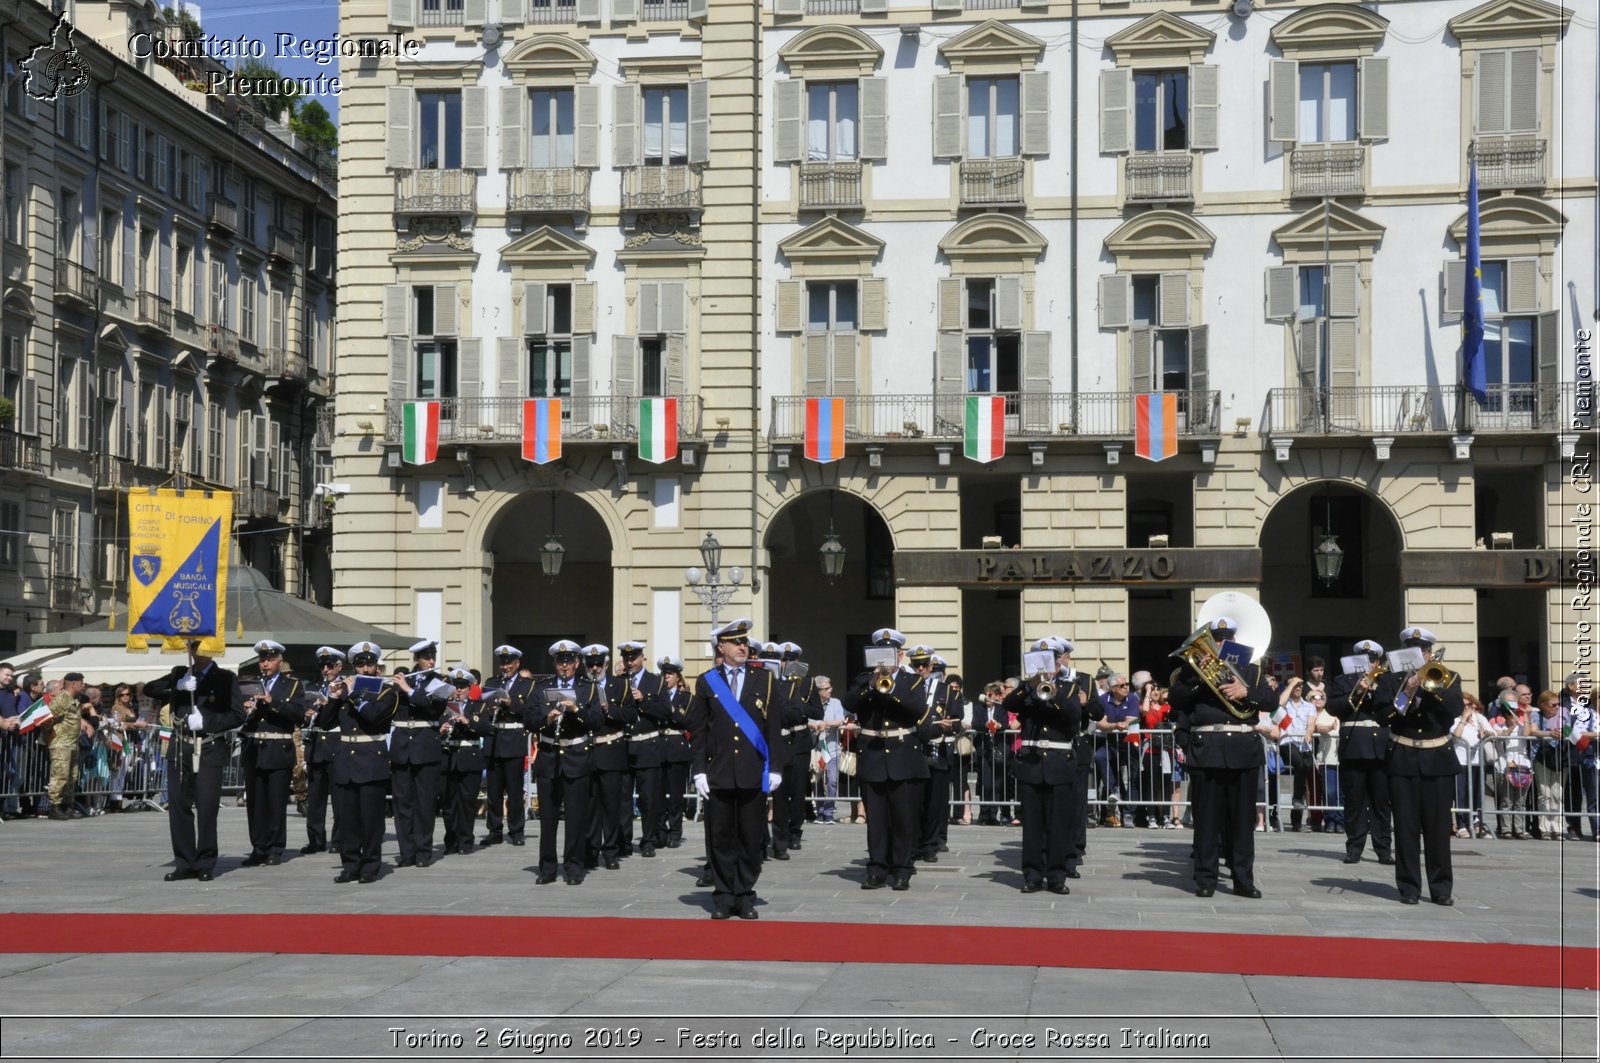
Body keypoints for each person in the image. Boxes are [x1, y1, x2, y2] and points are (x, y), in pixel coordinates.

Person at [1168, 616, 1277, 899]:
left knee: (1243, 821)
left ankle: (1243, 880)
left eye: (1224, 639)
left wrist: (1246, 692)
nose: (1218, 643)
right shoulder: (1190, 671)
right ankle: (1205, 879)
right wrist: (1202, 681)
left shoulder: (1251, 671)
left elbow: (1270, 701)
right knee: (1207, 820)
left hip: (1243, 748)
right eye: (1215, 638)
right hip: (1208, 749)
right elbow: (1177, 700)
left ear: (1233, 642)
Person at [690, 617, 784, 919]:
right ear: (722, 647)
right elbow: (700, 730)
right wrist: (699, 770)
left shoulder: (764, 679)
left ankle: (744, 894)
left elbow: (773, 727)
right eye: (736, 642)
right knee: (719, 837)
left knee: (750, 836)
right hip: (718, 772)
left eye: (745, 641)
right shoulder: (707, 681)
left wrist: (775, 767)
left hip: (751, 771)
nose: (743, 646)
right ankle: (723, 895)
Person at [1003, 636, 1098, 894]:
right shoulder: (1028, 688)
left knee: (1059, 824)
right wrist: (1029, 685)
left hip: (1059, 762)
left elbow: (1072, 717)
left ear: (1059, 663)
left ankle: (1056, 876)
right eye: (1041, 661)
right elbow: (1008, 705)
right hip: (1032, 762)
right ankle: (1032, 875)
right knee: (1032, 825)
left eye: (1052, 660)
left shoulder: (1069, 687)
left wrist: (1052, 694)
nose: (1048, 666)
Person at [145, 647, 246, 882]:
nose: (196, 652)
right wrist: (177, 685)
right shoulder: (180, 672)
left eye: (200, 647)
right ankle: (185, 862)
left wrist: (208, 722)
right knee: (179, 807)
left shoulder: (225, 678)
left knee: (207, 807)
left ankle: (206, 862)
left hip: (208, 747)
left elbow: (237, 715)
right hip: (181, 748)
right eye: (193, 647)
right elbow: (150, 689)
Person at [1378, 626, 1461, 906]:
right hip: (1402, 757)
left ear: (1429, 654)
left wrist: (1429, 686)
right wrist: (1406, 693)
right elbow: (1382, 715)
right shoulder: (1391, 680)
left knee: (1438, 830)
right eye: (1413, 652)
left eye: (1424, 652)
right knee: (1406, 828)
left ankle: (1441, 889)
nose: (1420, 656)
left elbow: (1455, 709)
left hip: (1437, 759)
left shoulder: (1448, 678)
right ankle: (1409, 888)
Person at [317, 641, 400, 883]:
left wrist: (352, 694)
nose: (364, 669)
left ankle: (370, 865)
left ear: (377, 667)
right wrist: (333, 698)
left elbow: (374, 716)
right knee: (347, 818)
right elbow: (324, 723)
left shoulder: (387, 692)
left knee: (371, 820)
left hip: (371, 758)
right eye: (360, 665)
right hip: (345, 759)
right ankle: (350, 864)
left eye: (369, 664)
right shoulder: (345, 690)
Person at [530, 640, 603, 884]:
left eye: (569, 661)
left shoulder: (588, 688)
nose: (565, 666)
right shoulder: (541, 687)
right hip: (550, 755)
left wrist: (576, 710)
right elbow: (529, 719)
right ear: (554, 663)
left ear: (576, 663)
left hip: (576, 756)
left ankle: (574, 867)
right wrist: (546, 718)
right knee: (548, 818)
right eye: (561, 662)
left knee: (576, 817)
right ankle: (548, 867)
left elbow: (596, 721)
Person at [1325, 640, 1394, 866]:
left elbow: (1393, 707)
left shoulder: (1386, 682)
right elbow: (1333, 707)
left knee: (1381, 803)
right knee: (1354, 802)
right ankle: (1354, 847)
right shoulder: (1342, 681)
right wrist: (1357, 691)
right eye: (1364, 660)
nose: (1369, 664)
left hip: (1381, 747)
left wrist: (1374, 688)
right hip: (1354, 746)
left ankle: (1384, 849)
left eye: (1373, 660)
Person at [240, 640, 306, 866]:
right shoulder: (251, 684)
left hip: (278, 747)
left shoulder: (292, 685)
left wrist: (272, 702)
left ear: (279, 661)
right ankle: (258, 847)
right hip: (254, 748)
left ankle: (275, 848)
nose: (265, 664)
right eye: (262, 660)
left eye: (269, 660)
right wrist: (245, 709)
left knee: (276, 801)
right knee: (255, 802)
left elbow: (298, 714)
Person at [389, 639, 447, 868]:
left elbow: (434, 708)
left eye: (433, 656)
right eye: (426, 657)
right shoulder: (403, 679)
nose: (431, 661)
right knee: (403, 802)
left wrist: (409, 691)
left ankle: (423, 852)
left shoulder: (440, 682)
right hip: (402, 746)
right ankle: (406, 852)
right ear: (416, 659)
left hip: (426, 745)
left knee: (425, 803)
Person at [585, 643, 639, 870]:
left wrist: (610, 711)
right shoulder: (582, 686)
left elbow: (631, 715)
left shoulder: (621, 685)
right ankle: (590, 850)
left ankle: (610, 850)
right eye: (591, 664)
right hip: (588, 751)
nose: (595, 668)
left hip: (611, 749)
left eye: (599, 664)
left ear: (606, 665)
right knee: (590, 805)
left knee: (611, 805)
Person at [616, 640, 670, 857]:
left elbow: (666, 712)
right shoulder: (618, 682)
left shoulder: (655, 682)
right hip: (623, 746)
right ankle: (624, 841)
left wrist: (644, 700)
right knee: (623, 798)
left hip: (647, 745)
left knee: (649, 799)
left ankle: (648, 840)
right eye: (626, 659)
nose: (630, 662)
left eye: (634, 658)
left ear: (642, 658)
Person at [480, 645, 535, 847]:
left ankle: (516, 830)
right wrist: (490, 707)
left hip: (513, 738)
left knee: (514, 789)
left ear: (517, 663)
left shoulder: (527, 684)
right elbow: (483, 707)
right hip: (495, 738)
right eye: (502, 663)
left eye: (509, 663)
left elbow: (530, 711)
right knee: (493, 791)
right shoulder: (492, 682)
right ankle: (494, 830)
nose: (505, 667)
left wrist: (511, 703)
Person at [910, 645, 958, 862]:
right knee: (914, 801)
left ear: (931, 666)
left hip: (937, 749)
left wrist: (950, 726)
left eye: (924, 665)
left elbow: (957, 720)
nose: (921, 669)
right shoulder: (908, 687)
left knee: (935, 801)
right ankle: (915, 843)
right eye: (916, 665)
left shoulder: (946, 690)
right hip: (914, 750)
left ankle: (930, 844)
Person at [439, 664, 493, 856]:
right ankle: (450, 840)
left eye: (462, 685)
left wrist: (468, 721)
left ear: (470, 688)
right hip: (448, 757)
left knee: (466, 802)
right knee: (448, 803)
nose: (459, 689)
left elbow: (487, 729)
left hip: (469, 758)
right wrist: (441, 728)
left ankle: (465, 841)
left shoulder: (478, 707)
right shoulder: (443, 706)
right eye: (456, 685)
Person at [301, 647, 345, 854]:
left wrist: (332, 703)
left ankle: (339, 840)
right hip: (317, 744)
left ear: (339, 666)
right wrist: (308, 713)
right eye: (322, 666)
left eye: (330, 666)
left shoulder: (345, 686)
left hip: (336, 743)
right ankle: (315, 840)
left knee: (339, 798)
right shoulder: (315, 687)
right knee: (315, 798)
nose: (325, 669)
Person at [1095, 673, 1141, 827]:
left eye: (1127, 684)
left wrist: (1113, 724)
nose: (1126, 687)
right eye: (1122, 685)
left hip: (1129, 743)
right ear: (1113, 688)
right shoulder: (1102, 700)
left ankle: (1128, 814)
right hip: (1110, 743)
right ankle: (1113, 789)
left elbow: (1131, 720)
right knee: (1100, 756)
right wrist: (1115, 726)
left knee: (1133, 780)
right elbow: (1100, 724)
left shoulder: (1133, 698)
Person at [656, 656, 692, 848]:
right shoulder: (656, 695)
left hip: (677, 748)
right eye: (664, 673)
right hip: (659, 746)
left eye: (670, 674)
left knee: (676, 795)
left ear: (678, 677)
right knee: (658, 794)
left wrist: (671, 710)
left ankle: (675, 831)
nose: (666, 677)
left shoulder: (686, 698)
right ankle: (660, 831)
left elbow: (687, 721)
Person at [1277, 676, 1320, 832]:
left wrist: (1309, 732)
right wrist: (1291, 683)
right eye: (1295, 685)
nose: (1298, 687)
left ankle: (1297, 820)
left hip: (1303, 744)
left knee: (1304, 773)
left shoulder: (1309, 706)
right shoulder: (1284, 704)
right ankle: (1296, 799)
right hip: (1287, 742)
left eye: (1300, 685)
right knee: (1301, 765)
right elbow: (1279, 704)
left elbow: (1311, 723)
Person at [1525, 690, 1567, 841]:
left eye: (1558, 704)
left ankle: (1559, 827)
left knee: (1557, 794)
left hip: (1558, 757)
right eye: (1553, 705)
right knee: (1544, 793)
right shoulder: (1536, 715)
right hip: (1541, 757)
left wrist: (1564, 732)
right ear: (1543, 705)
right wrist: (1550, 734)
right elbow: (1533, 731)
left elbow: (1569, 730)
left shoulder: (1562, 715)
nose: (1557, 707)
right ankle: (1544, 828)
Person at [44, 672, 87, 820]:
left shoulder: (73, 699)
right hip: (61, 743)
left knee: (71, 777)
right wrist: (51, 735)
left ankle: (67, 806)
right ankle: (54, 807)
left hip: (72, 743)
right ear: (74, 684)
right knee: (60, 776)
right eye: (81, 683)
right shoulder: (62, 699)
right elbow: (47, 718)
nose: (83, 685)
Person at [811, 676, 847, 823]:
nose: (830, 690)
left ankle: (829, 812)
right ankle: (820, 812)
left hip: (832, 748)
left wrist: (828, 723)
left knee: (832, 781)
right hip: (818, 749)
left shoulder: (836, 702)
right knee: (817, 780)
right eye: (826, 688)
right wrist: (816, 724)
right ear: (818, 691)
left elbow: (840, 720)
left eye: (830, 687)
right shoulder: (811, 703)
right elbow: (807, 719)